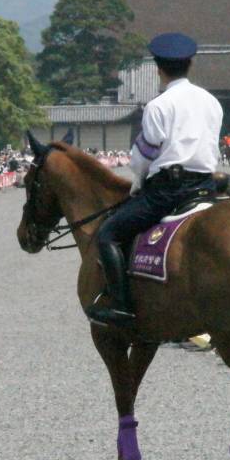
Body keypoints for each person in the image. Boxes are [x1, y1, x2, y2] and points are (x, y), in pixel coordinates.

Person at [88, 32, 222, 327]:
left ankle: (122, 307)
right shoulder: (212, 102)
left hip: (169, 189)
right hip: (206, 186)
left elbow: (145, 156)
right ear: (190, 64)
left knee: (108, 233)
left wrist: (138, 178)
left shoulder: (159, 106)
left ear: (158, 69)